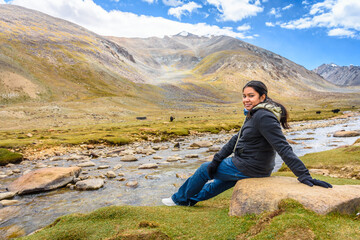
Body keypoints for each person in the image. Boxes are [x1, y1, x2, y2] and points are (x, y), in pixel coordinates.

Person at [162, 80, 332, 207]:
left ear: (262, 97)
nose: (246, 99)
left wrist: (303, 175)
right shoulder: (254, 114)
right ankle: (190, 201)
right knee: (219, 183)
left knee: (203, 170)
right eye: (244, 96)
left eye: (251, 96)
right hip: (252, 165)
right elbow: (235, 139)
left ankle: (178, 199)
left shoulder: (263, 116)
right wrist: (217, 159)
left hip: (249, 166)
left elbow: (282, 147)